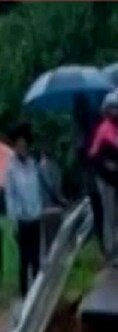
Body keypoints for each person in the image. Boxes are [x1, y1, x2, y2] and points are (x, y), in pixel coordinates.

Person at [4, 123, 45, 298]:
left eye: (24, 145)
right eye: (19, 145)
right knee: (25, 258)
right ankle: (24, 292)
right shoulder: (11, 168)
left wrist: (40, 208)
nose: (22, 148)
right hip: (22, 218)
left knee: (36, 256)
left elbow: (37, 189)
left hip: (35, 215)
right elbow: (10, 195)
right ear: (14, 146)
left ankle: (37, 290)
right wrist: (13, 219)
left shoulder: (32, 164)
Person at [89, 90, 118, 268]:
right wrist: (106, 164)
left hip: (117, 179)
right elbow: (93, 155)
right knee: (110, 215)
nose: (116, 112)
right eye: (113, 108)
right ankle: (110, 251)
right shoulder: (103, 129)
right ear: (106, 111)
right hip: (106, 180)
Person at [75, 93, 105, 253]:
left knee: (100, 212)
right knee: (102, 212)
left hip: (95, 176)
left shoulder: (84, 129)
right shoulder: (93, 124)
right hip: (97, 176)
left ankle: (105, 247)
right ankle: (105, 246)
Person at [38, 148, 66, 259]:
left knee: (50, 240)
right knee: (54, 240)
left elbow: (51, 186)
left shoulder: (42, 166)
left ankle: (50, 265)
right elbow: (53, 186)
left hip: (48, 207)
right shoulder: (53, 166)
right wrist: (61, 200)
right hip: (53, 207)